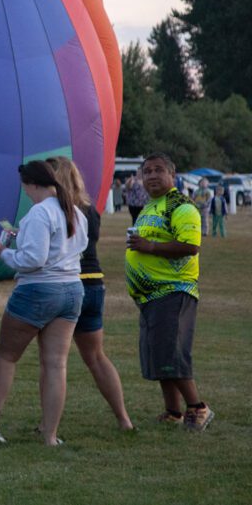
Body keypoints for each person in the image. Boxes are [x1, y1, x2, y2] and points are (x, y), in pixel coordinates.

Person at [0, 160, 87, 446]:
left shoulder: (39, 214)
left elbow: (33, 260)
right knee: (55, 364)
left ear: (32, 184)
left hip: (38, 290)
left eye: (24, 186)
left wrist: (4, 252)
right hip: (71, 290)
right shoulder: (75, 212)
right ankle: (50, 434)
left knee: (6, 357)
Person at [125, 153, 212, 431]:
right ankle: (173, 410)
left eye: (158, 170)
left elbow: (190, 246)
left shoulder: (181, 206)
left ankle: (198, 407)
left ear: (172, 176)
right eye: (146, 171)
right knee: (160, 354)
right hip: (150, 296)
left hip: (173, 291)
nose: (151, 176)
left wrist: (149, 247)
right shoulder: (151, 207)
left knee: (173, 353)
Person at [47, 157, 133, 430]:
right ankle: (123, 419)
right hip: (94, 284)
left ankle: (48, 426)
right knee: (96, 357)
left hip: (66, 284)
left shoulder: (53, 210)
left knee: (53, 362)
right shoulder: (89, 210)